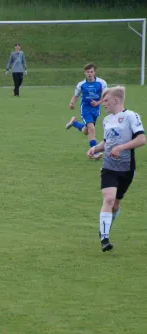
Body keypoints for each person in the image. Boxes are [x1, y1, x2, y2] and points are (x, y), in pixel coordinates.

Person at [87, 86, 145, 252]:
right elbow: (107, 143)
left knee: (116, 204)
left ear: (116, 100)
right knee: (109, 198)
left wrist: (121, 148)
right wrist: (95, 149)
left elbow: (141, 139)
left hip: (127, 168)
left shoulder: (131, 116)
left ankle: (105, 226)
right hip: (109, 167)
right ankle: (104, 237)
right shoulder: (106, 120)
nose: (103, 104)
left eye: (105, 101)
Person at [65, 63, 107, 159]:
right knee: (91, 128)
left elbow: (106, 96)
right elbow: (75, 96)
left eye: (91, 72)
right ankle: (94, 151)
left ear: (94, 72)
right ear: (85, 73)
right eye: (88, 72)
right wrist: (71, 103)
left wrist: (98, 103)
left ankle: (74, 122)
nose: (90, 74)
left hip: (96, 109)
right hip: (85, 108)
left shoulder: (102, 83)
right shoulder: (81, 84)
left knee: (86, 131)